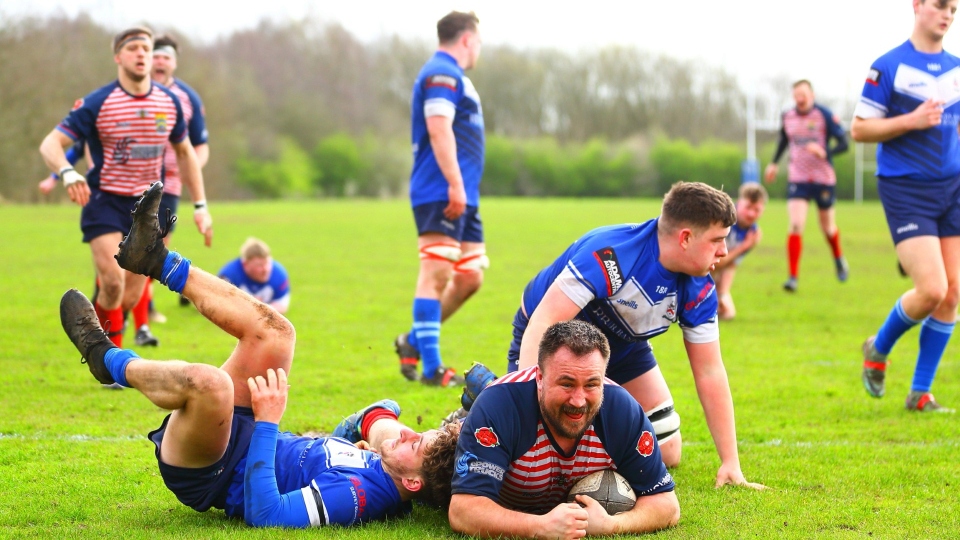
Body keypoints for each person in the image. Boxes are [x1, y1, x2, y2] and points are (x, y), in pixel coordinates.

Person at [59, 182, 459, 526]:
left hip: (211, 469)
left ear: (412, 483)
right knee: (278, 334)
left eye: (414, 445)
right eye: (417, 433)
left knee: (212, 385)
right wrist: (371, 426)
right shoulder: (389, 466)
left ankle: (105, 358)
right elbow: (372, 416)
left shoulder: (357, 496)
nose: (409, 434)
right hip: (244, 432)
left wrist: (269, 422)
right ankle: (156, 259)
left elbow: (266, 514)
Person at [507, 181, 765, 489]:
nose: (725, 250)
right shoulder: (612, 254)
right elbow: (544, 321)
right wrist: (524, 400)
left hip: (624, 346)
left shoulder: (699, 289)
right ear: (685, 238)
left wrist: (730, 462)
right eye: (717, 240)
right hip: (559, 343)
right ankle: (485, 403)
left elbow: (709, 370)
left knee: (667, 451)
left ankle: (585, 448)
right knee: (535, 452)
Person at [38, 26, 213, 351]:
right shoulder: (98, 102)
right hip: (105, 201)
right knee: (112, 283)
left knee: (132, 295)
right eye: (133, 48)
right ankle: (109, 361)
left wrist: (201, 205)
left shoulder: (170, 102)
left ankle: (106, 346)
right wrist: (66, 172)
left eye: (146, 48)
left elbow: (187, 153)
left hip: (150, 206)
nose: (142, 54)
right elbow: (51, 143)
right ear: (119, 56)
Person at [449, 320, 680, 539]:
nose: (579, 401)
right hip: (472, 432)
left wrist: (612, 525)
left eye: (591, 384)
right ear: (540, 377)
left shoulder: (622, 410)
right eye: (567, 384)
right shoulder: (500, 405)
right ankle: (459, 422)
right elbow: (463, 510)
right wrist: (541, 527)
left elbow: (666, 505)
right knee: (420, 459)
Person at [852, 0, 960, 412]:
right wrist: (909, 121)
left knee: (952, 294)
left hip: (952, 188)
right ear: (917, 6)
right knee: (932, 289)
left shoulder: (956, 69)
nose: (948, 14)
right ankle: (878, 347)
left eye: (953, 8)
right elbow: (859, 129)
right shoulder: (889, 65)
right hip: (907, 189)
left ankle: (921, 393)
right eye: (939, 6)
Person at [394, 11, 486, 387]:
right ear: (466, 39)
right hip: (442, 190)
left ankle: (412, 340)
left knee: (469, 277)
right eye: (478, 41)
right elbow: (438, 126)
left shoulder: (455, 76)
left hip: (463, 193)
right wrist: (454, 183)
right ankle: (432, 368)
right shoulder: (442, 72)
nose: (479, 48)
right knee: (436, 274)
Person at [763, 79, 850, 292]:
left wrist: (825, 152)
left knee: (828, 227)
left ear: (811, 95)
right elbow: (783, 140)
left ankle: (838, 259)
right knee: (795, 225)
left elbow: (844, 144)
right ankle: (792, 277)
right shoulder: (788, 116)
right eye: (796, 95)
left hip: (823, 178)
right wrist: (774, 163)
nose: (800, 99)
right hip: (798, 178)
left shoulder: (824, 115)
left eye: (803, 95)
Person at [712, 183, 768, 321]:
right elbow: (715, 263)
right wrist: (744, 246)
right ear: (738, 203)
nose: (751, 214)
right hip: (692, 273)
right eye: (748, 207)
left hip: (711, 273)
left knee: (728, 313)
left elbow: (731, 265)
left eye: (756, 209)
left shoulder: (753, 233)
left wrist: (722, 294)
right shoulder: (723, 220)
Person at [218, 237, 291, 315]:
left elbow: (282, 305)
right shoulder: (229, 275)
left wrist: (261, 308)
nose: (265, 269)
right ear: (245, 264)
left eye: (267, 263)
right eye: (259, 265)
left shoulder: (279, 274)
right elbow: (219, 304)